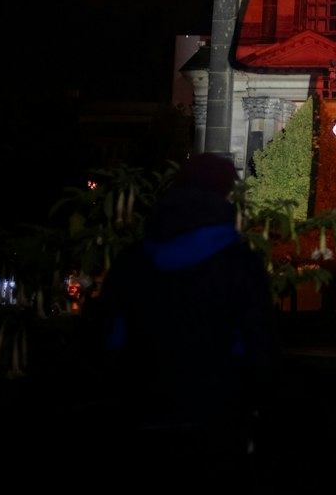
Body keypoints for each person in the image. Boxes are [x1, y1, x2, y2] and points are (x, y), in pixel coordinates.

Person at [96, 153, 275, 486]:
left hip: (142, 416)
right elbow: (258, 350)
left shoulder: (131, 261)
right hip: (217, 422)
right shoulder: (241, 265)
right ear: (224, 194)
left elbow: (107, 341)